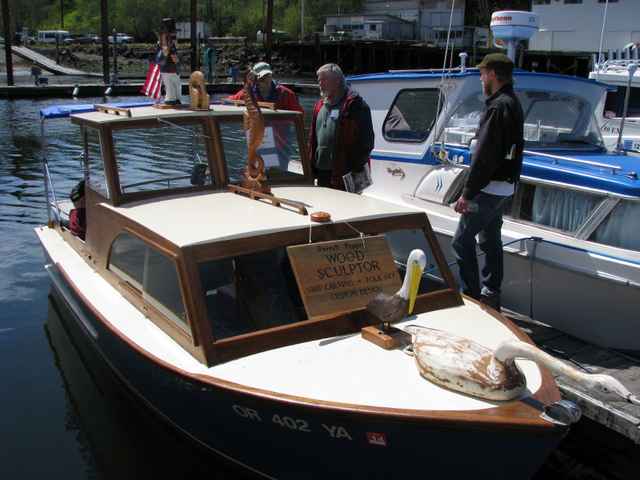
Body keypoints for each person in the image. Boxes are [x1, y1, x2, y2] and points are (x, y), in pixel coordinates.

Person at [451, 53, 524, 310]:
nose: (481, 78)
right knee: (490, 238)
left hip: (489, 188)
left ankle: (471, 298)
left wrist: (467, 193)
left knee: (461, 240)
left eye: (482, 73)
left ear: (492, 74)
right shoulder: (512, 102)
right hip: (504, 186)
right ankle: (491, 294)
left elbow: (485, 155)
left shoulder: (497, 107)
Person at [308, 63, 374, 190]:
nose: (320, 84)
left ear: (337, 80)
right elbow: (312, 139)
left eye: (324, 80)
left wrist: (354, 169)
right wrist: (310, 168)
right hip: (322, 171)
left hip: (346, 173)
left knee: (346, 202)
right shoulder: (319, 105)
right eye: (319, 80)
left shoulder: (355, 105)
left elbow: (367, 142)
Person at [227, 62, 303, 113]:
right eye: (262, 77)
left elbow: (299, 114)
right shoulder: (247, 93)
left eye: (267, 76)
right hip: (256, 130)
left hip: (280, 131)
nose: (265, 79)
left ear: (271, 75)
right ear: (255, 77)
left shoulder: (286, 94)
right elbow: (228, 102)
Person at [156, 32, 181, 105]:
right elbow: (175, 59)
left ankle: (171, 99)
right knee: (174, 85)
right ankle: (175, 99)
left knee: (171, 85)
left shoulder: (166, 47)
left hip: (168, 70)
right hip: (170, 70)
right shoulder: (168, 47)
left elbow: (173, 58)